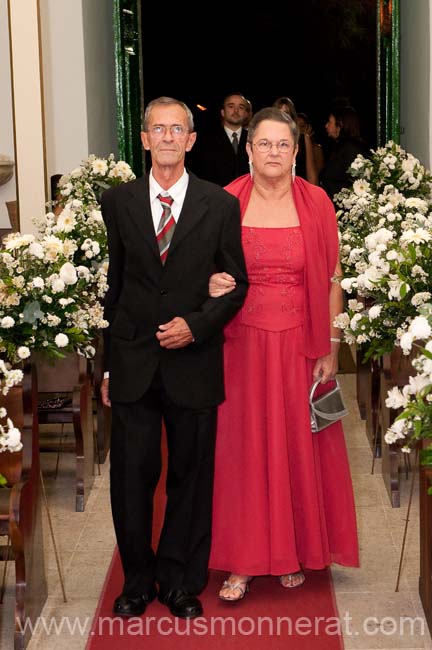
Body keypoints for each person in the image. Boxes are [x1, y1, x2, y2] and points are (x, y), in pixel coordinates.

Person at [100, 96, 248, 619]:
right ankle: (138, 580)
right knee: (131, 479)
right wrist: (108, 367)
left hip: (194, 361)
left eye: (176, 129)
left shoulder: (220, 205)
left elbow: (235, 286)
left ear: (190, 140)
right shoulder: (116, 203)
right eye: (157, 129)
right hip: (134, 363)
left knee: (191, 476)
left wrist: (197, 325)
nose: (166, 137)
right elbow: (113, 290)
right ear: (144, 140)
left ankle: (181, 580)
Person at [208, 107, 359, 601]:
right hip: (241, 344)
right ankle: (244, 560)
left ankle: (293, 550)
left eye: (282, 144)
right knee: (245, 450)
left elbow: (334, 281)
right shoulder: (226, 201)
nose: (273, 152)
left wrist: (331, 348)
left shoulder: (317, 203)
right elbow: (202, 270)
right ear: (248, 150)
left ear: (296, 152)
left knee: (297, 445)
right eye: (264, 143)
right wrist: (209, 283)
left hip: (301, 343)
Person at [188, 92, 250, 186]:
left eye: (241, 107)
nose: (236, 110)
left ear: (246, 114)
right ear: (223, 112)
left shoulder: (253, 139)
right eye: (231, 106)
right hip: (215, 196)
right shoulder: (205, 140)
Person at [320, 105, 369, 200]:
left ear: (340, 125)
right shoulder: (339, 147)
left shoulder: (352, 149)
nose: (326, 126)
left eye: (330, 122)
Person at [272, 97, 321, 185]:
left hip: (297, 190)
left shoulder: (303, 139)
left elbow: (311, 175)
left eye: (286, 113)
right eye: (278, 112)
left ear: (291, 117)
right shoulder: (268, 139)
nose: (282, 116)